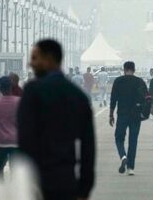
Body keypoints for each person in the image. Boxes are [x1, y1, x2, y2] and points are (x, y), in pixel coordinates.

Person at [18, 39, 95, 199]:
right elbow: (88, 146)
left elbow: (25, 139)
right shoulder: (78, 95)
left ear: (49, 59)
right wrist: (84, 187)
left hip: (36, 180)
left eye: (34, 58)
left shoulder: (33, 91)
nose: (30, 64)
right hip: (66, 180)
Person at [109, 60, 147, 176]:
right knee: (133, 140)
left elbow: (113, 99)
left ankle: (123, 156)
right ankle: (131, 168)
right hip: (136, 115)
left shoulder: (118, 81)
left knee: (119, 138)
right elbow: (147, 97)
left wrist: (111, 114)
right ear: (134, 70)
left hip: (122, 114)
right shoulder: (140, 81)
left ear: (124, 69)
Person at [0, 76, 21, 181]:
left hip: (0, 141)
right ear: (11, 87)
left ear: (0, 89)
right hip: (16, 141)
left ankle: (1, 185)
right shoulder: (19, 102)